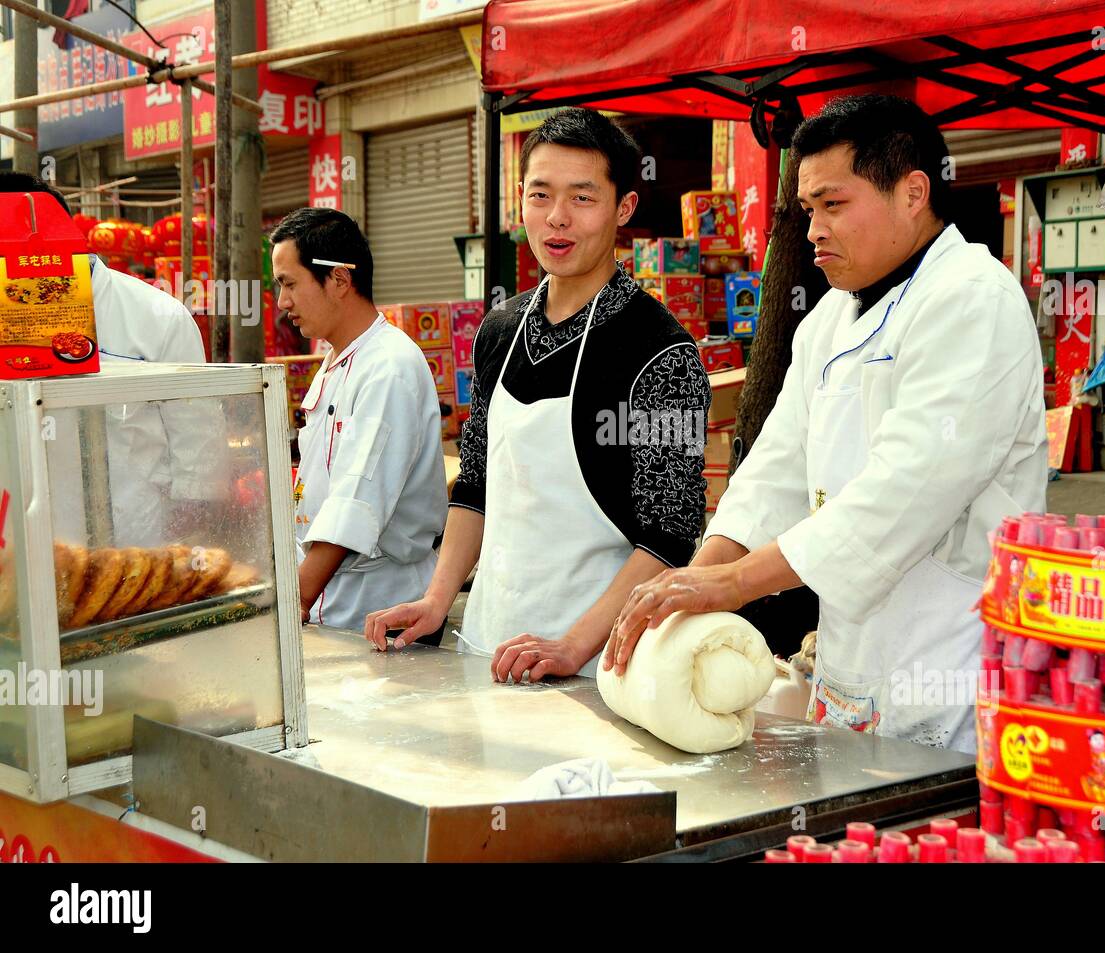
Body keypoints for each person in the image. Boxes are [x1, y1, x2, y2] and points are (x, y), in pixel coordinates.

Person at [608, 95, 1047, 752]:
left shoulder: (973, 300)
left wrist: (732, 583)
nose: (814, 229)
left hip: (951, 658)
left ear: (913, 193)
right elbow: (774, 472)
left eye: (834, 205)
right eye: (808, 209)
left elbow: (902, 493)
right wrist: (691, 585)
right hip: (851, 654)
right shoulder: (831, 320)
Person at [364, 108, 710, 682]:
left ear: (624, 208)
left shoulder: (661, 353)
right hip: (486, 641)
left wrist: (572, 647)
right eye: (540, 195)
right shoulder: (501, 328)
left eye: (582, 198)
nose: (556, 219)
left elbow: (669, 535)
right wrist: (437, 599)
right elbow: (474, 484)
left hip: (598, 669)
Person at [0, 172, 225, 547]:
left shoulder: (157, 316)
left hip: (137, 542)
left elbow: (198, 445)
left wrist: (182, 550)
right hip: (23, 547)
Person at [270, 207, 447, 631]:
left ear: (339, 280)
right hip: (333, 600)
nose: (283, 303)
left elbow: (356, 499)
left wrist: (292, 602)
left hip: (381, 609)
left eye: (290, 284)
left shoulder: (388, 365)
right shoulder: (335, 360)